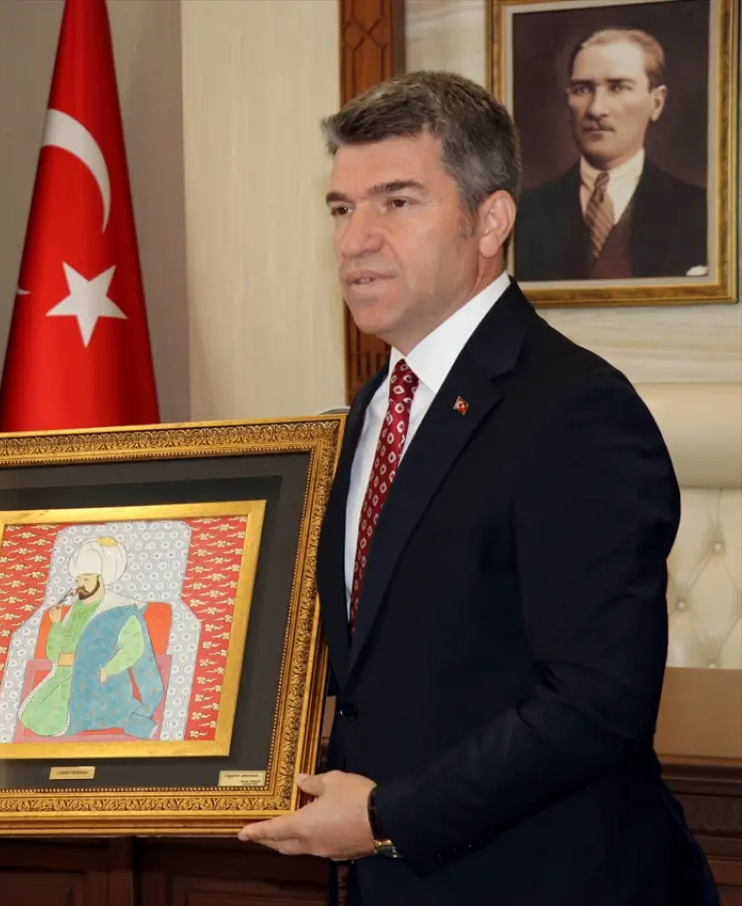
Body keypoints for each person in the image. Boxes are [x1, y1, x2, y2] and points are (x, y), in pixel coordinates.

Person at [237, 72, 719, 905]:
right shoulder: (368, 410)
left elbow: (597, 703)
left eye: (397, 202)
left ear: (491, 220)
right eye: (342, 209)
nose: (355, 240)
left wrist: (387, 817)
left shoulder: (576, 410)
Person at [514, 27, 708, 280]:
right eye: (582, 89)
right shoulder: (523, 214)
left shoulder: (702, 213)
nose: (596, 109)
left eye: (617, 88)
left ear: (657, 102)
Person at [18, 537, 164, 739]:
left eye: (86, 579)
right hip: (64, 679)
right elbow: (54, 654)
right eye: (79, 580)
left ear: (100, 579)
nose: (81, 585)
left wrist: (107, 670)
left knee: (58, 722)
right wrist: (57, 624)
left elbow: (133, 648)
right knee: (31, 717)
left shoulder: (121, 610)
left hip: (99, 683)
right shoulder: (76, 610)